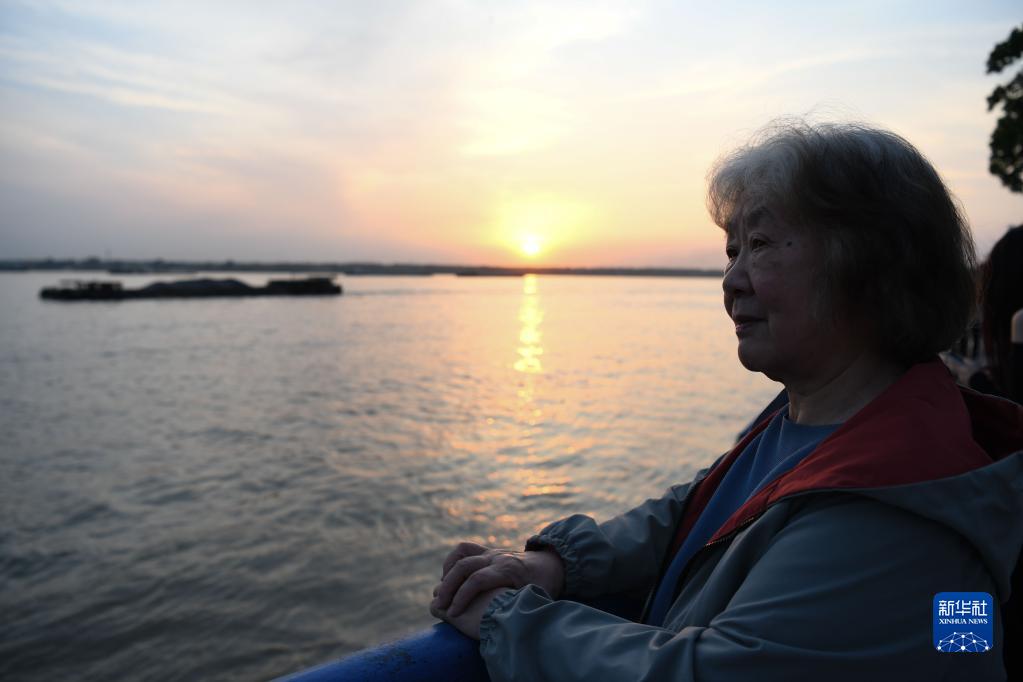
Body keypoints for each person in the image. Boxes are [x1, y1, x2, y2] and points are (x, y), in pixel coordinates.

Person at [429, 121, 1023, 681]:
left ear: (872, 267)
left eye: (759, 244)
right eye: (731, 250)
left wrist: (508, 621)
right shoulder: (814, 421)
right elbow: (696, 511)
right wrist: (558, 562)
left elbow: (715, 670)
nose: (731, 280)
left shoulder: (898, 500)